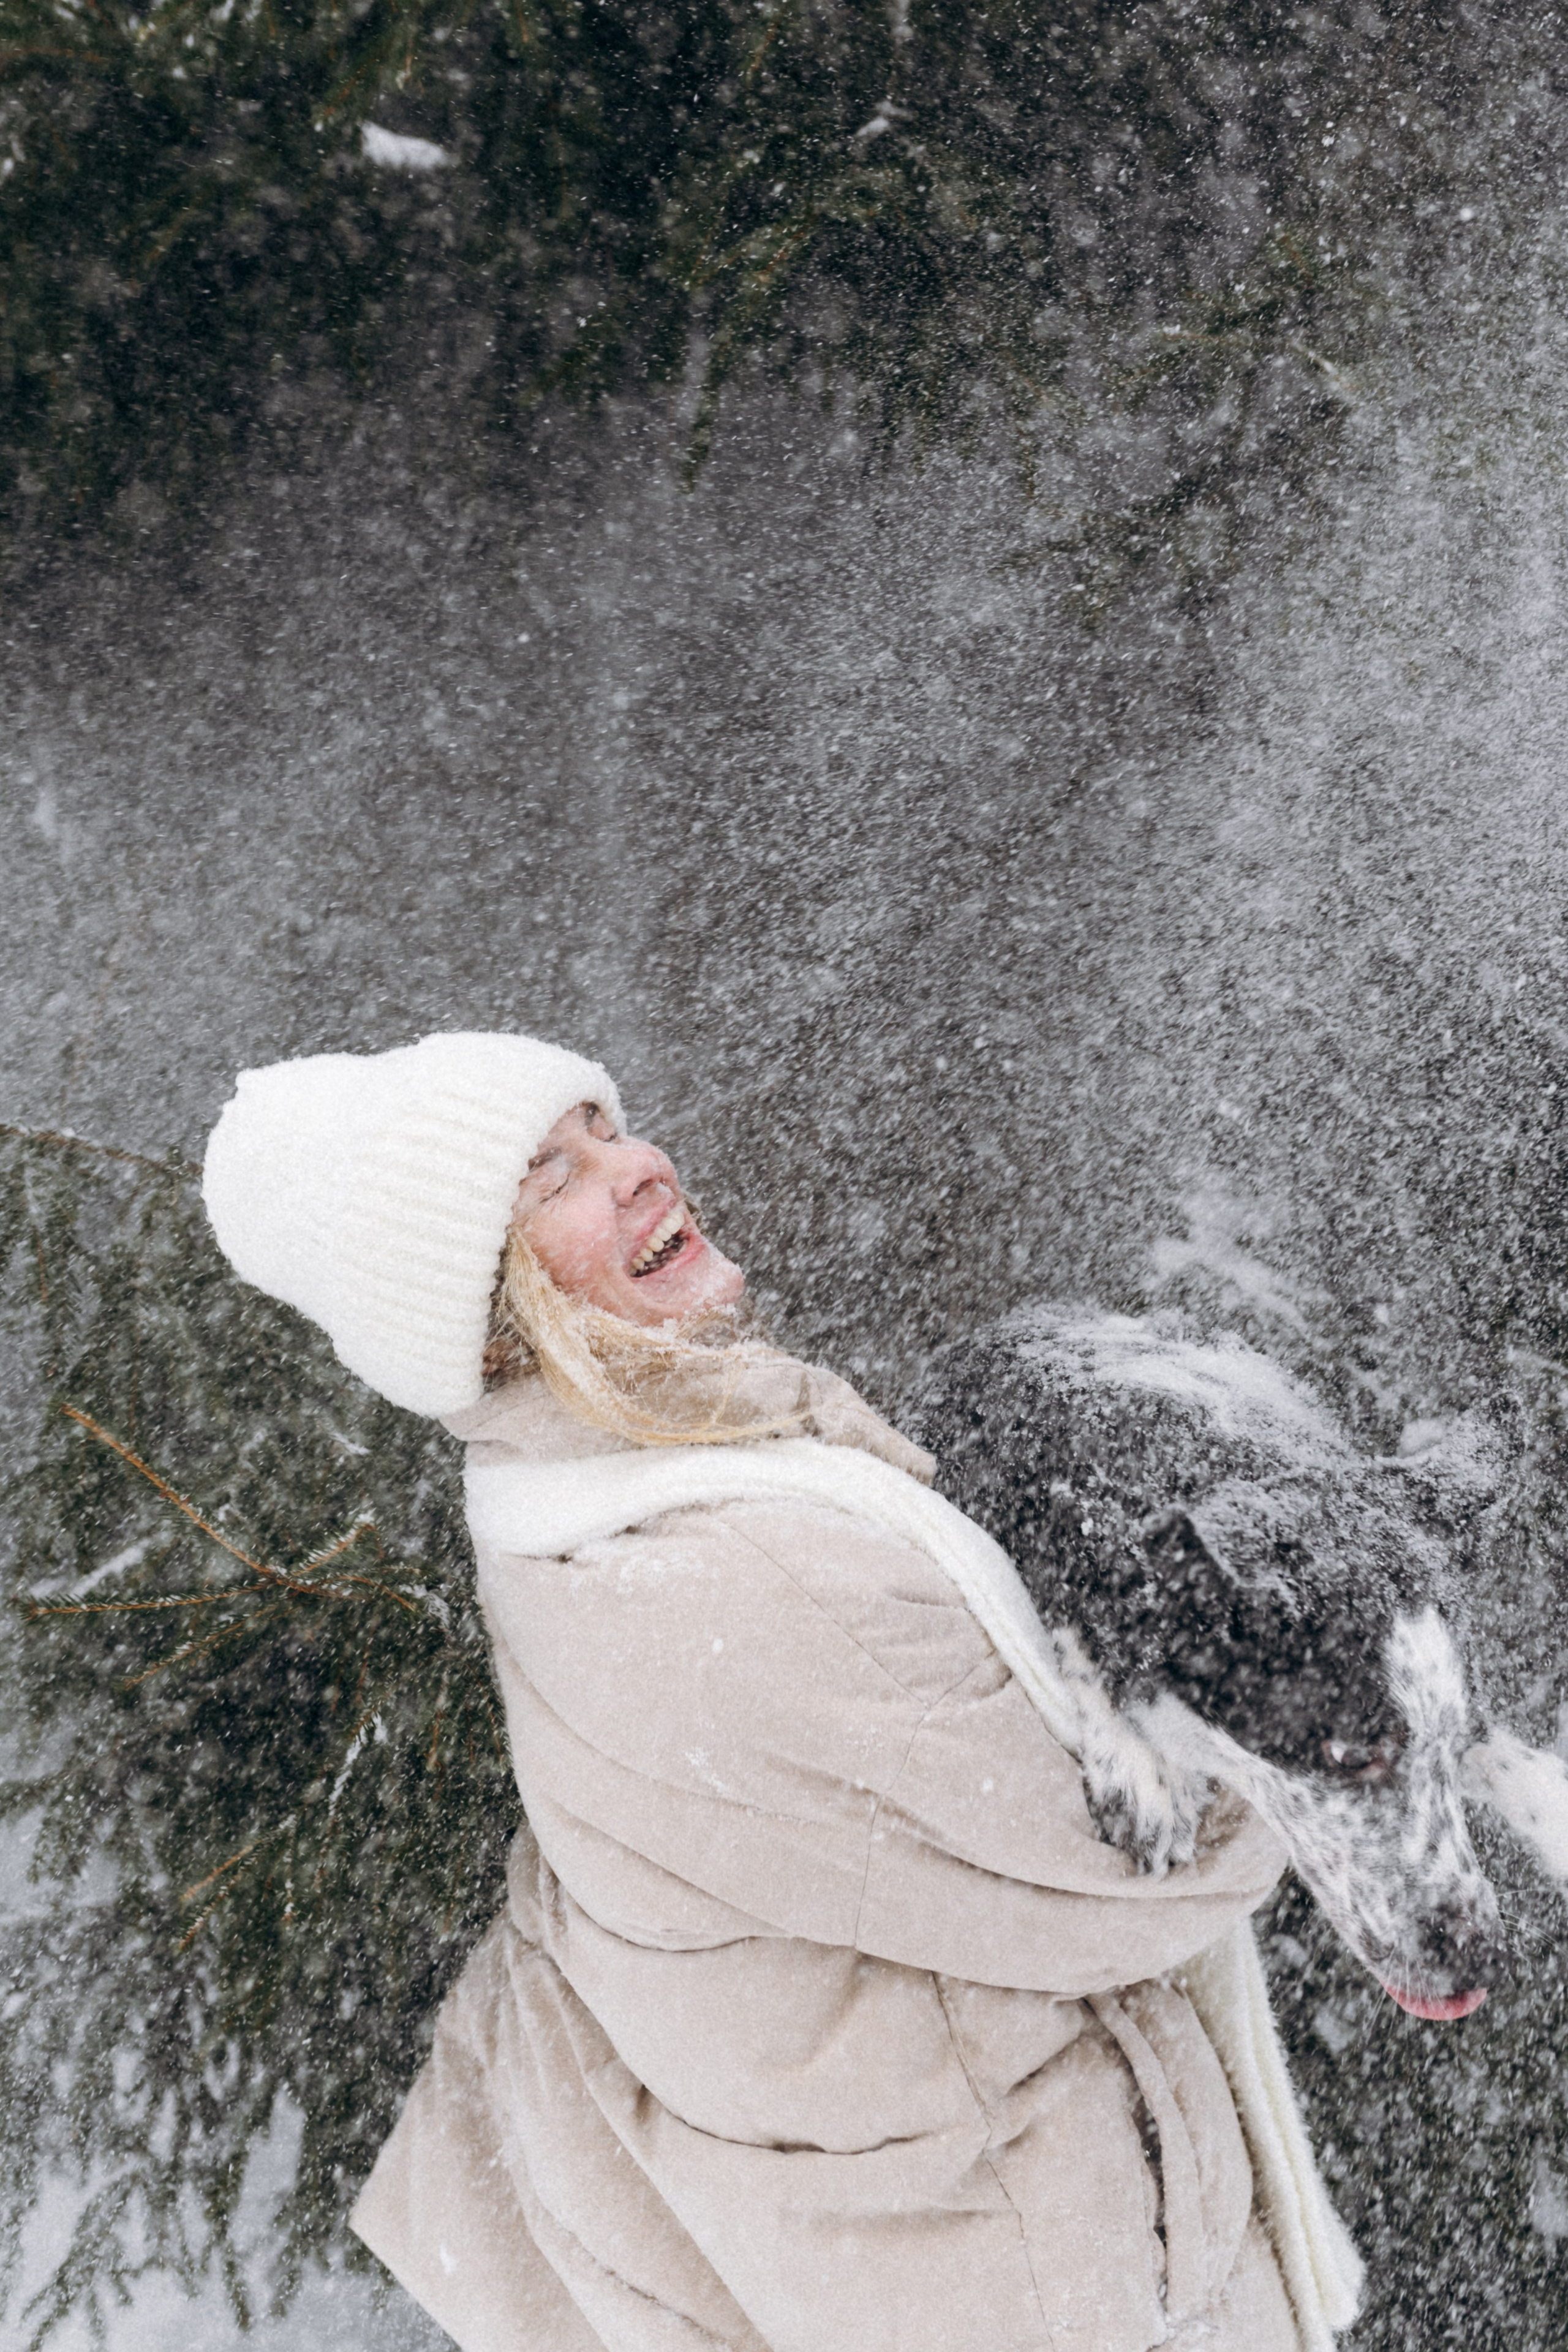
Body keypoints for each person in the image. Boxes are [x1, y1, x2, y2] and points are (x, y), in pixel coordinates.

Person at [202, 1030, 1357, 2352]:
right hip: (1026, 2272)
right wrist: (1323, 1718)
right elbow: (1130, 1874)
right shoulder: (729, 1580)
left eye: (603, 1127)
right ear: (488, 1310)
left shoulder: (584, 1491)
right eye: (551, 1177)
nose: (636, 1167)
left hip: (892, 2243)